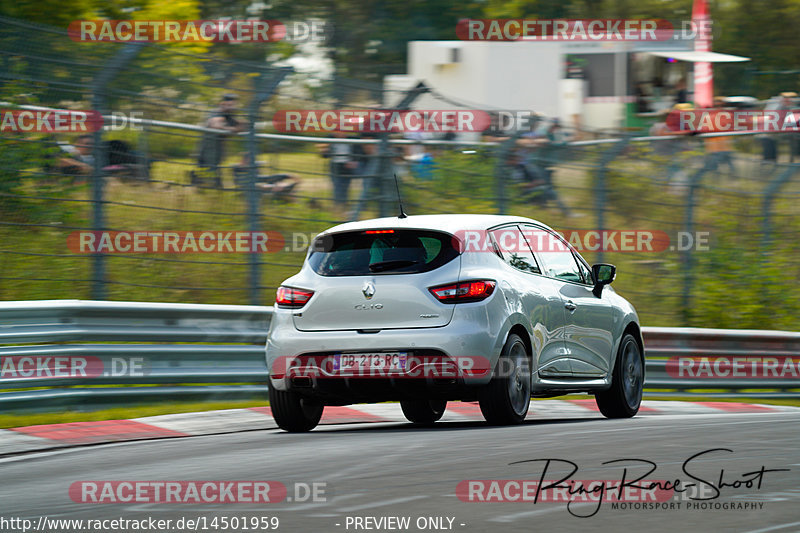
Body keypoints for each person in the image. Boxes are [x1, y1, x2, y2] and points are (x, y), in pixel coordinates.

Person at [191, 93, 244, 188]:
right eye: (229, 105)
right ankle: (198, 181)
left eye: (233, 105)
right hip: (208, 148)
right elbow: (215, 125)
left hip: (218, 149)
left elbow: (242, 125)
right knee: (209, 170)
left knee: (212, 171)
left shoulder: (229, 116)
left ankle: (199, 182)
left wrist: (234, 128)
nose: (231, 107)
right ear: (222, 104)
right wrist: (231, 129)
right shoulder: (216, 113)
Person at [321, 130, 362, 216]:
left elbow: (358, 151)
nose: (340, 134)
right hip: (335, 166)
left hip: (347, 166)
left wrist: (354, 160)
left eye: (342, 131)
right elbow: (324, 155)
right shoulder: (329, 139)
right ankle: (338, 207)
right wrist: (325, 150)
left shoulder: (352, 139)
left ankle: (343, 206)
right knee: (337, 186)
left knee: (345, 186)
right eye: (337, 132)